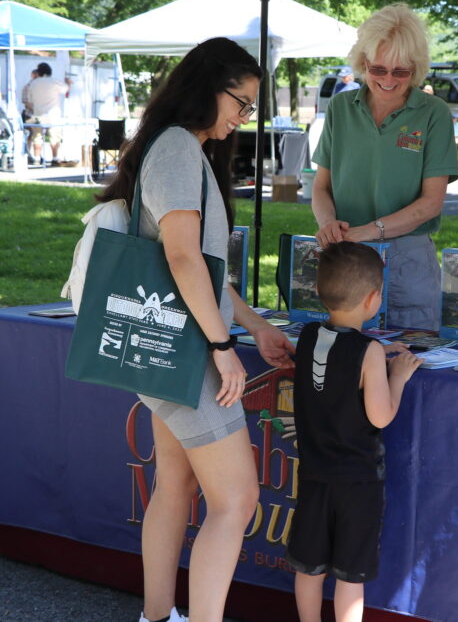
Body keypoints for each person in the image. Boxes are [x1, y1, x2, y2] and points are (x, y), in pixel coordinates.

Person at [96, 37, 296, 622]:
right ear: (206, 88)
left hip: (172, 351)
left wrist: (253, 325)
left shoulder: (178, 147)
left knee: (175, 487)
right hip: (188, 353)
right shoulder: (181, 150)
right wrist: (221, 345)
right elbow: (182, 258)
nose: (243, 117)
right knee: (236, 500)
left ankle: (158, 616)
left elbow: (202, 267)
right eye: (242, 101)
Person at [285, 241, 422, 622]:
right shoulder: (370, 351)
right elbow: (381, 417)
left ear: (319, 291)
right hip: (357, 483)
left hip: (313, 474)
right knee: (349, 574)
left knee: (309, 568)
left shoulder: (308, 335)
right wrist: (398, 376)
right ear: (374, 298)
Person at [311, 3, 458, 330]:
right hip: (345, 258)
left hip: (408, 259)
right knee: (346, 363)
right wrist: (328, 224)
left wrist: (369, 232)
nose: (388, 81)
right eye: (378, 70)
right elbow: (321, 187)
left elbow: (431, 203)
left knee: (412, 360)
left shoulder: (433, 113)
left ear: (417, 68)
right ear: (363, 63)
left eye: (401, 72)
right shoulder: (340, 108)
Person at [27, 62, 71, 165]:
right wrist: (68, 82)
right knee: (54, 137)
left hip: (37, 114)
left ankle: (37, 158)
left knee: (36, 137)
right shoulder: (54, 82)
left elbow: (30, 100)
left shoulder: (33, 83)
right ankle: (55, 158)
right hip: (53, 114)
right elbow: (66, 89)